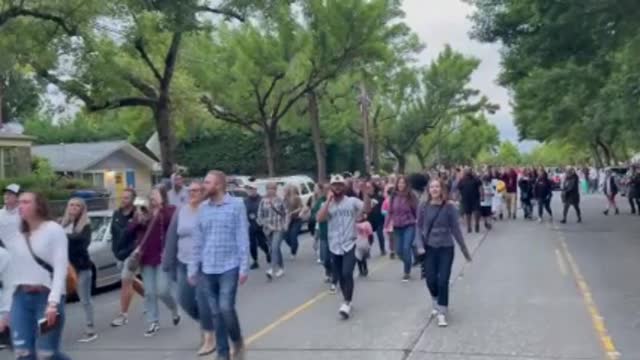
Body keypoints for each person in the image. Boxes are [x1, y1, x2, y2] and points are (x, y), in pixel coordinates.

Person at [0, 192, 71, 359]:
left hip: (46, 297)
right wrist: (5, 312)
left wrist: (53, 303)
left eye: (25, 202)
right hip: (20, 298)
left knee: (47, 353)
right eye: (19, 203)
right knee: (23, 352)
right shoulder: (15, 234)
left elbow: (61, 268)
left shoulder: (53, 230)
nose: (20, 206)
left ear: (38, 206)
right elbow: (12, 274)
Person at [189, 170, 249, 360]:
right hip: (208, 268)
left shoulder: (236, 205)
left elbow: (242, 237)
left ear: (219, 185)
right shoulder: (202, 209)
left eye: (207, 183)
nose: (203, 186)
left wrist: (244, 267)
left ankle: (237, 340)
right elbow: (197, 241)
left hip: (229, 266)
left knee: (225, 308)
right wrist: (193, 268)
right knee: (215, 313)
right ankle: (223, 354)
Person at [162, 180, 218, 356]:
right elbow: (172, 237)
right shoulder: (181, 211)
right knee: (184, 300)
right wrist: (167, 261)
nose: (192, 193)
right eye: (190, 190)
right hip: (183, 263)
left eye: (196, 190)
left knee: (202, 300)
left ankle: (209, 338)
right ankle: (211, 324)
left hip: (203, 264)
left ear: (204, 192)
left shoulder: (210, 210)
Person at [415, 179, 472, 328]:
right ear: (428, 190)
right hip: (429, 248)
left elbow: (456, 229)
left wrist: (464, 250)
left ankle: (442, 312)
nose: (434, 189)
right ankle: (435, 300)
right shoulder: (423, 206)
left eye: (437, 186)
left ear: (442, 189)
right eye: (432, 187)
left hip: (446, 248)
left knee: (443, 281)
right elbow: (418, 227)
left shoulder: (449, 207)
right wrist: (420, 245)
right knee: (431, 280)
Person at [317, 174, 371, 319]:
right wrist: (327, 201)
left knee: (347, 273)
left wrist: (365, 192)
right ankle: (347, 298)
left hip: (350, 243)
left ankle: (346, 302)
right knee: (340, 275)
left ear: (344, 187)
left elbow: (367, 209)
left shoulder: (352, 201)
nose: (337, 187)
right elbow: (319, 218)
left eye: (340, 185)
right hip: (334, 244)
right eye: (335, 185)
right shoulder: (328, 204)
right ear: (331, 187)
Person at [129, 186, 179, 336]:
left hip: (162, 256)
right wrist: (138, 218)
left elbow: (173, 225)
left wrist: (161, 207)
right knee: (150, 292)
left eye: (155, 195)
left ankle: (174, 308)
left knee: (162, 290)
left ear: (163, 196)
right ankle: (153, 321)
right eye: (150, 195)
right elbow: (131, 229)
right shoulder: (145, 211)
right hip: (146, 256)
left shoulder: (170, 210)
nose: (152, 198)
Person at [60, 197, 97, 343]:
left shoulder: (85, 226)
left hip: (82, 267)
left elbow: (82, 243)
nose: (73, 208)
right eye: (71, 205)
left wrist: (64, 236)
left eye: (77, 206)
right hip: (66, 269)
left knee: (85, 300)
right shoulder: (62, 224)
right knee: (59, 300)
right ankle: (55, 330)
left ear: (82, 209)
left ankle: (90, 329)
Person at [110, 188, 145, 327]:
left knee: (125, 281)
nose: (123, 200)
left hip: (133, 252)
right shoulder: (116, 214)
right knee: (131, 280)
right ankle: (149, 298)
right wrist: (115, 250)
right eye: (122, 197)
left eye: (126, 198)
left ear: (132, 200)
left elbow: (140, 234)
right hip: (120, 252)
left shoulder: (138, 214)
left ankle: (123, 315)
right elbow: (115, 234)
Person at [384, 176, 418, 281]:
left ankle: (406, 272)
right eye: (399, 183)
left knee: (406, 248)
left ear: (406, 184)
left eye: (403, 183)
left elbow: (417, 210)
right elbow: (390, 212)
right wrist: (386, 225)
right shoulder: (393, 196)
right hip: (397, 227)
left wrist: (419, 223)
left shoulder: (410, 196)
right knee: (398, 250)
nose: (401, 185)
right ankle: (408, 261)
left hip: (409, 225)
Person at [257, 182, 288, 280]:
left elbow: (286, 213)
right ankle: (281, 267)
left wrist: (286, 224)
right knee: (274, 249)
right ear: (266, 190)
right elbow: (259, 216)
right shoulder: (263, 201)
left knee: (275, 247)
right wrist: (266, 224)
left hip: (279, 227)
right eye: (269, 188)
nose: (271, 190)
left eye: (273, 189)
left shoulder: (280, 200)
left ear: (276, 190)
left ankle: (271, 269)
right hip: (268, 229)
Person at [310, 183, 333, 287]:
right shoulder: (321, 201)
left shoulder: (336, 201)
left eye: (329, 189)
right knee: (324, 257)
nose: (328, 192)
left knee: (334, 256)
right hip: (323, 233)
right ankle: (328, 271)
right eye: (326, 190)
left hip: (334, 234)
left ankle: (334, 274)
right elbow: (314, 214)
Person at [244, 184, 270, 270]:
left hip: (260, 225)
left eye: (252, 189)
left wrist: (264, 222)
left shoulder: (262, 200)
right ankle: (255, 261)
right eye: (249, 190)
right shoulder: (245, 201)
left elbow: (267, 212)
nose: (251, 191)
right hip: (250, 225)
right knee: (252, 244)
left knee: (262, 243)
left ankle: (268, 252)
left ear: (256, 189)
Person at [457, 168, 482, 233]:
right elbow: (458, 189)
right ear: (464, 173)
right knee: (468, 214)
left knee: (477, 212)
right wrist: (458, 197)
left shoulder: (476, 179)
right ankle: (469, 227)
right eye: (466, 171)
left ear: (471, 172)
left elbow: (480, 187)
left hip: (476, 199)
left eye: (469, 171)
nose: (467, 172)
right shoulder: (461, 180)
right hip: (465, 200)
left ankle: (477, 224)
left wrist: (482, 195)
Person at [284, 185, 303, 259]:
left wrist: (293, 212)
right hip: (288, 220)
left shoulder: (297, 198)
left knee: (293, 235)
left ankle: (293, 252)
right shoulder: (285, 199)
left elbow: (301, 207)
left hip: (296, 219)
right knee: (286, 237)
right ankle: (293, 246)